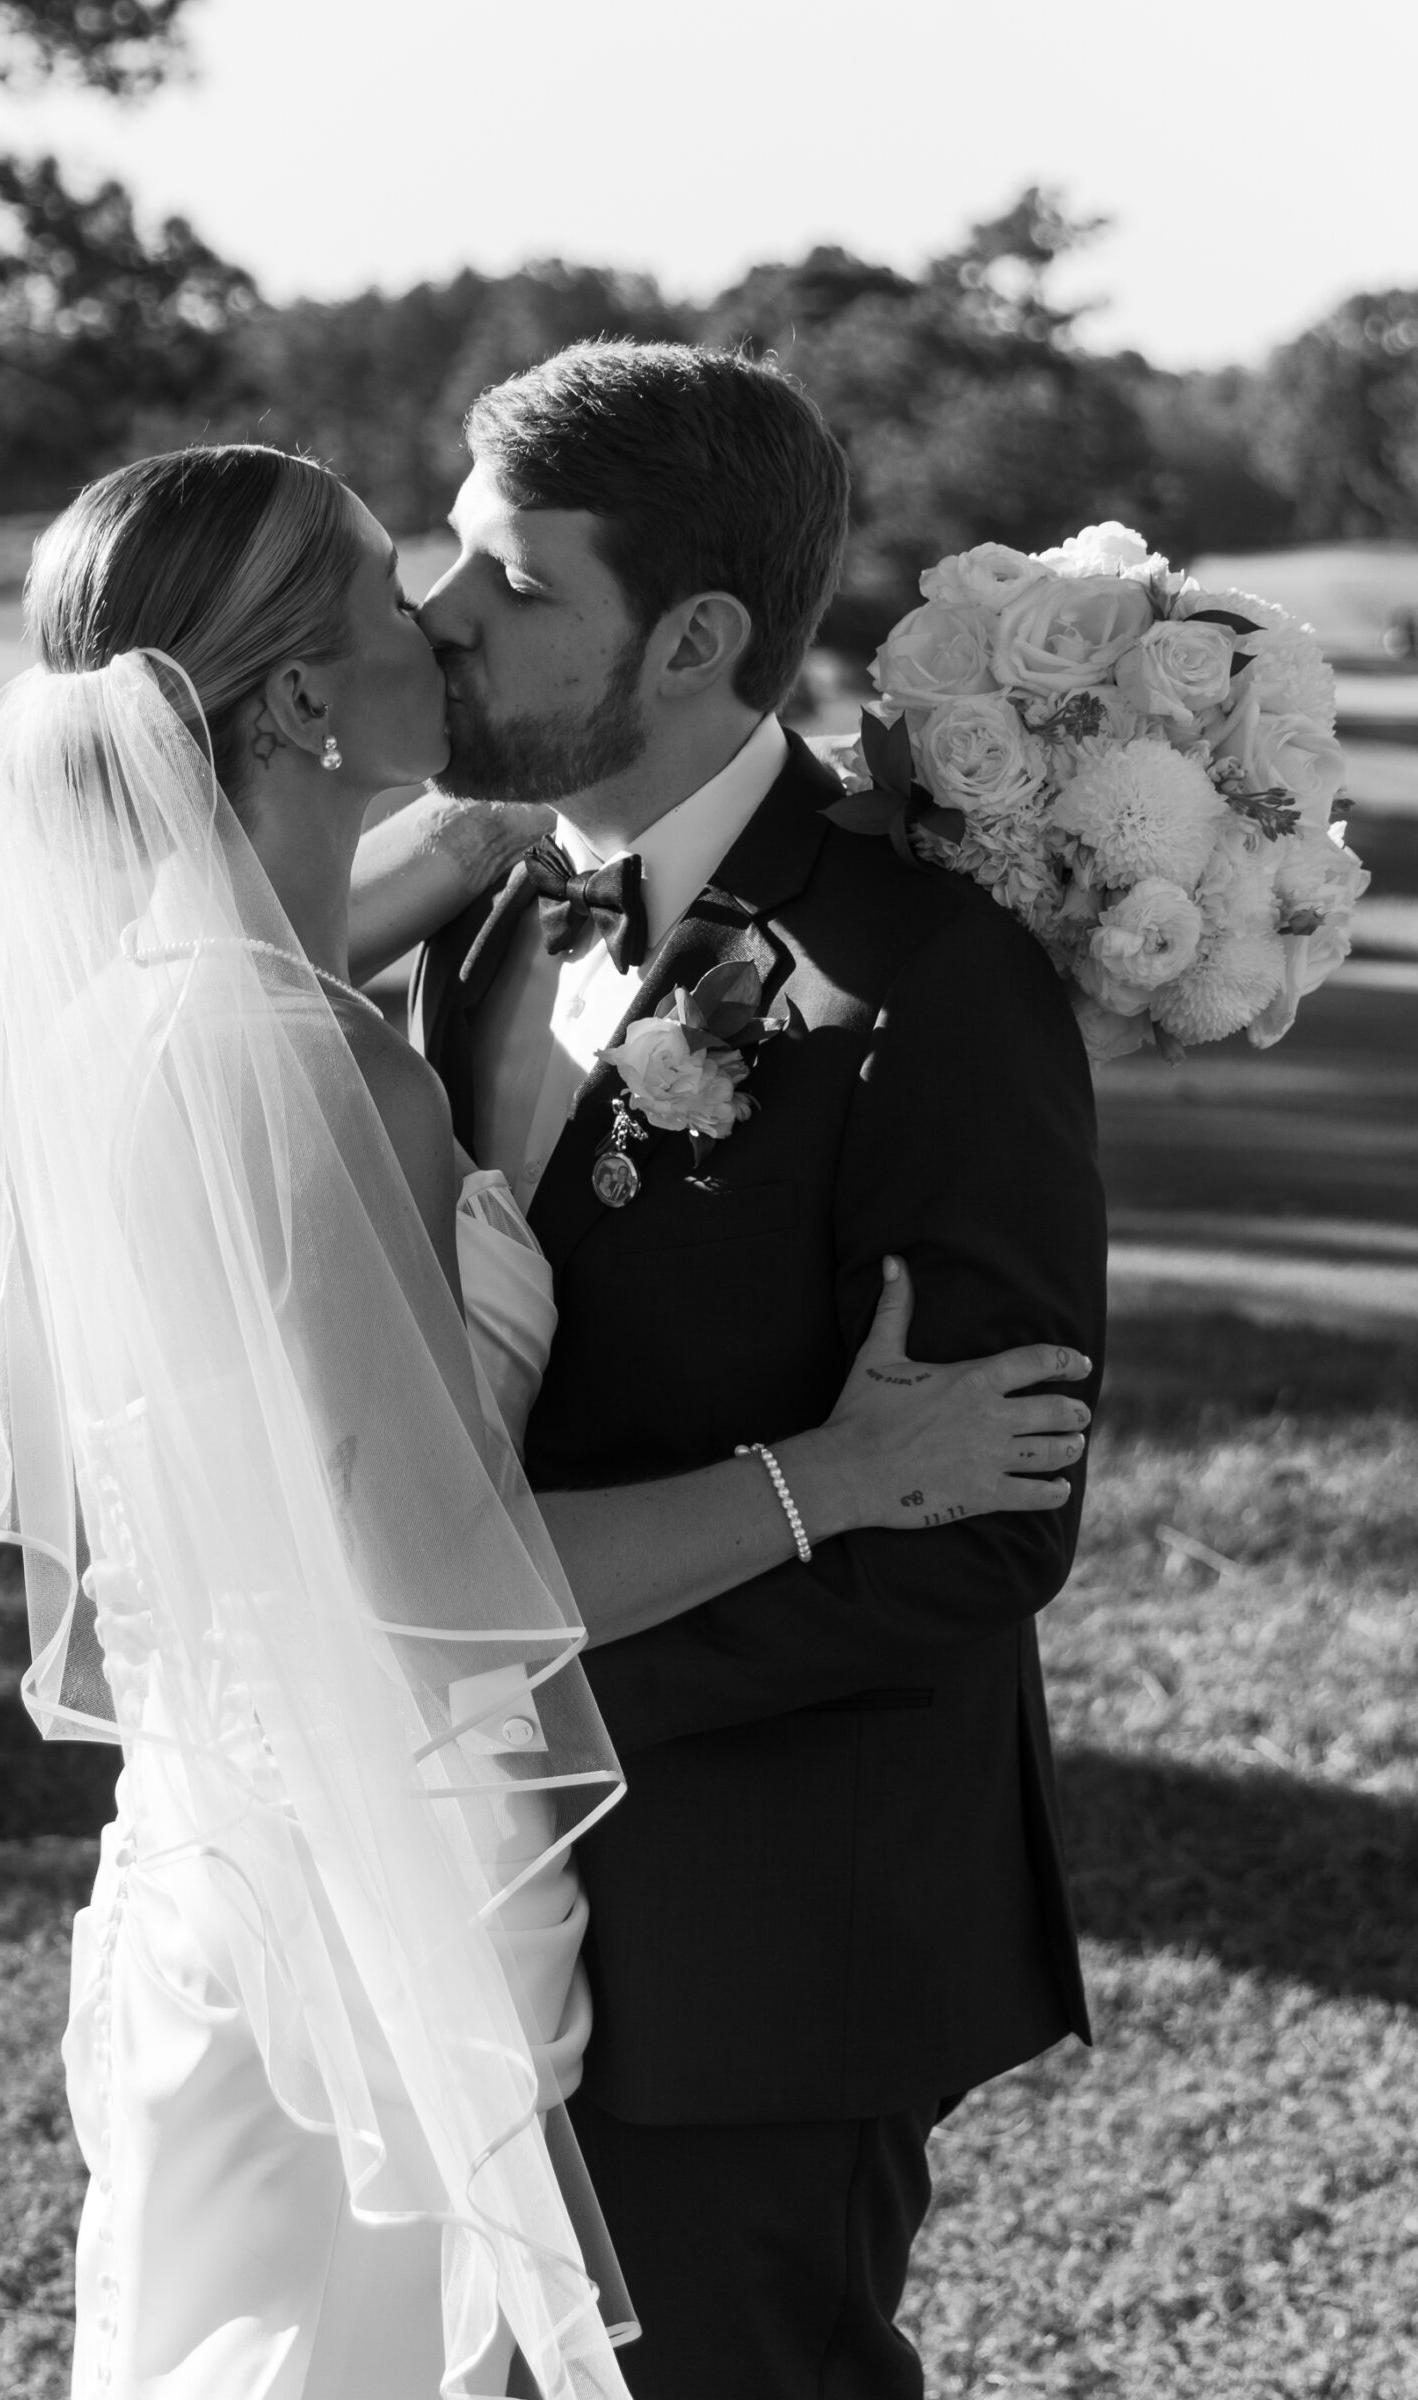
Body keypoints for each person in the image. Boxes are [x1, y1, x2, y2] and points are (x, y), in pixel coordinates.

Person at [0, 441, 1094, 2400]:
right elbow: (425, 1591)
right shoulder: (308, 1070)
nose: (445, 616)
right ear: (304, 702)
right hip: (396, 1895)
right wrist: (842, 1477)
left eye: (489, 575)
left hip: (256, 1876)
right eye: (401, 591)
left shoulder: (171, 1007)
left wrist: (725, 829)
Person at [372, 342, 1109, 2399]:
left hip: (765, 1930)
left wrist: (537, 1692)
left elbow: (987, 1527)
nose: (436, 610)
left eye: (511, 580)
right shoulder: (478, 907)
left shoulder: (930, 978)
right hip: (465, 1901)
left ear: (694, 640)